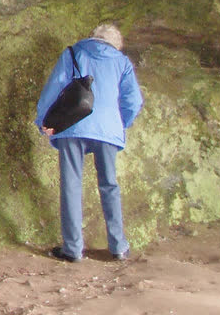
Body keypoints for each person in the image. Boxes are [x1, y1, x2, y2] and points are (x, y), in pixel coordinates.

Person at [34, 23, 143, 262]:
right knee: (109, 185)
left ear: (93, 37)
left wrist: (43, 121)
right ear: (116, 45)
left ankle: (73, 249)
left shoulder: (74, 53)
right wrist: (120, 123)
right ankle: (118, 246)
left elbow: (54, 87)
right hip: (107, 129)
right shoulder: (122, 62)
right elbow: (133, 101)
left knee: (72, 185)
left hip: (72, 125)